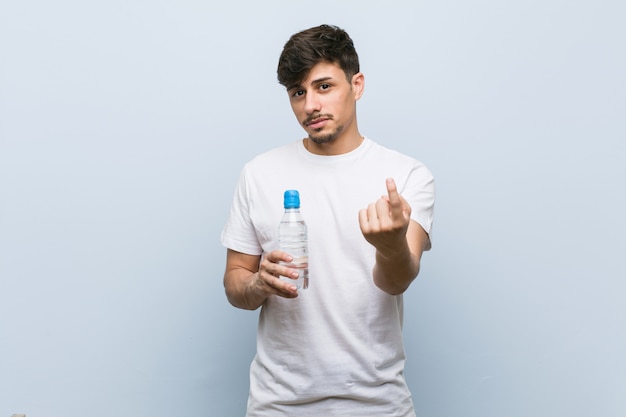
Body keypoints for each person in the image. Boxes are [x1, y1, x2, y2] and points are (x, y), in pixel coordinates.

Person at [221, 24, 435, 417]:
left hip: (377, 405)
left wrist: (390, 247)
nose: (310, 106)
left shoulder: (406, 175)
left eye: (323, 87)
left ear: (357, 85)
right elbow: (235, 281)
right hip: (279, 405)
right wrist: (256, 283)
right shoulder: (259, 173)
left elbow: (398, 279)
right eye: (297, 93)